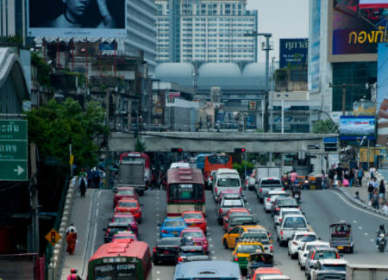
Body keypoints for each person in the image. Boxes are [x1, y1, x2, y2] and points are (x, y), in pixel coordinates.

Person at [47, 0, 116, 29]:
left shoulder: (95, 27)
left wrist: (103, 6)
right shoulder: (50, 26)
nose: (84, 0)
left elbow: (110, 26)